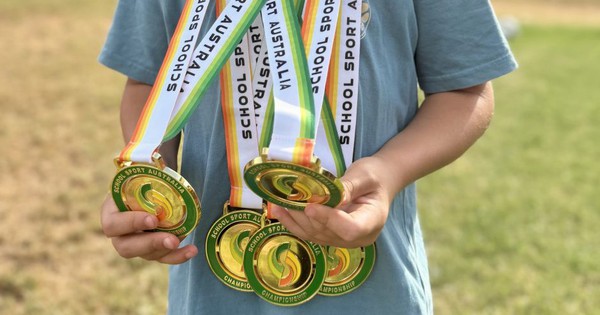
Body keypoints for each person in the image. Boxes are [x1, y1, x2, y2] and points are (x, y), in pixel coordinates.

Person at [99, 0, 517, 314]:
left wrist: (388, 172)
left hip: (376, 290)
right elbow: (147, 81)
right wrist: (148, 174)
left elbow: (465, 90)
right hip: (212, 287)